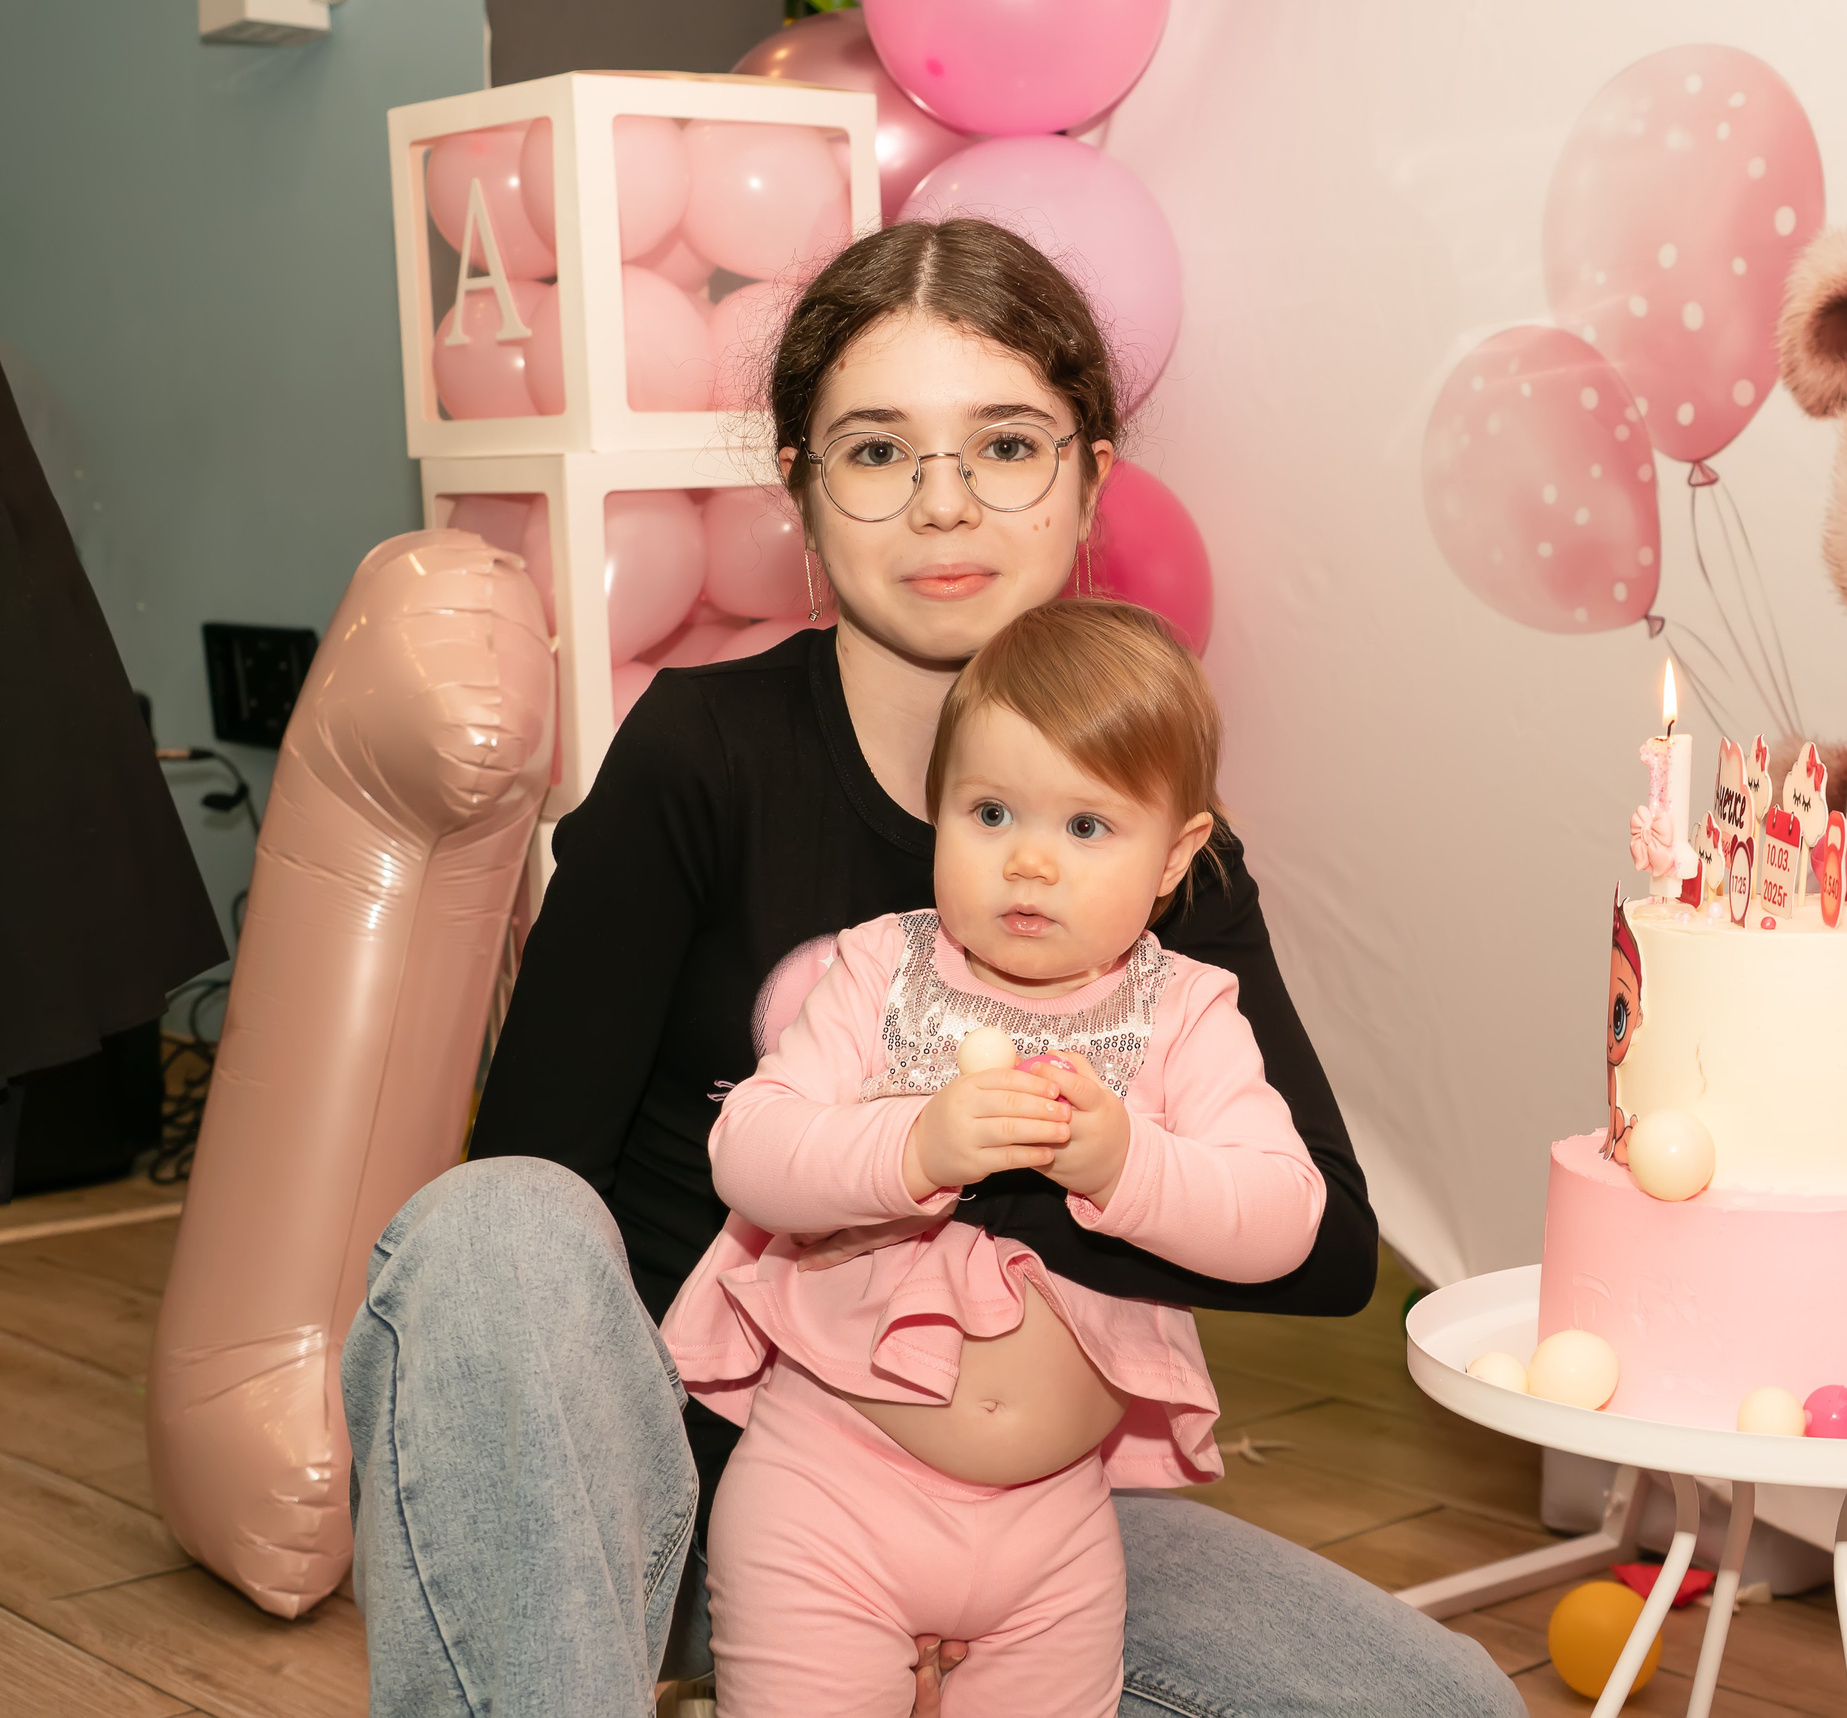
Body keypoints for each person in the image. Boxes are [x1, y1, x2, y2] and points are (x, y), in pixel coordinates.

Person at [341, 218, 1524, 1718]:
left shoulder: (1156, 853)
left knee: (1440, 1707)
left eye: (1008, 444)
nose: (943, 503)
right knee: (484, 1227)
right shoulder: (706, 756)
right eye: (879, 451)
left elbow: (1329, 1247)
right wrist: (895, 1163)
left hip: (1032, 1519)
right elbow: (529, 1199)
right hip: (698, 1475)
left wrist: (1053, 1165)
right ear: (800, 489)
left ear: (1092, 474)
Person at [666, 600, 1327, 1714]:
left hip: (1055, 1528)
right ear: (934, 813)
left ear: (1176, 854)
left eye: (1087, 827)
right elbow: (751, 1148)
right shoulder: (885, 967)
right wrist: (912, 1143)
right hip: (827, 1487)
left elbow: (1285, 1215)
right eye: (988, 811)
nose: (1028, 859)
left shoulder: (1185, 1012)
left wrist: (1129, 1164)